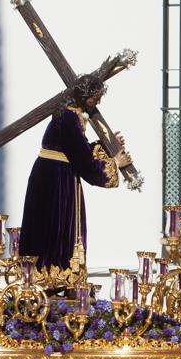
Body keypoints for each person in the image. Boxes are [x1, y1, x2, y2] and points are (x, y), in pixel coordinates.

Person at [20, 75, 129, 271]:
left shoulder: (67, 114)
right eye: (95, 97)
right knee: (56, 229)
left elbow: (78, 149)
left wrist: (108, 143)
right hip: (56, 181)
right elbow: (84, 161)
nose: (98, 101)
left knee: (50, 228)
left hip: (52, 175)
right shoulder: (69, 117)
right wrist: (115, 162)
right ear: (83, 95)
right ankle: (54, 277)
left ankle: (50, 278)